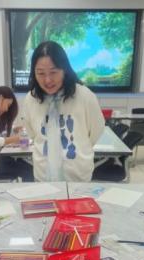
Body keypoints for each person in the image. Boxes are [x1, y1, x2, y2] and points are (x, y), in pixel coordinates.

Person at [21, 41, 105, 182]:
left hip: (78, 177)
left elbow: (96, 131)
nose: (47, 80)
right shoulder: (31, 99)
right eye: (40, 73)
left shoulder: (84, 96)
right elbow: (33, 134)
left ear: (64, 69)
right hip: (43, 177)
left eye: (53, 72)